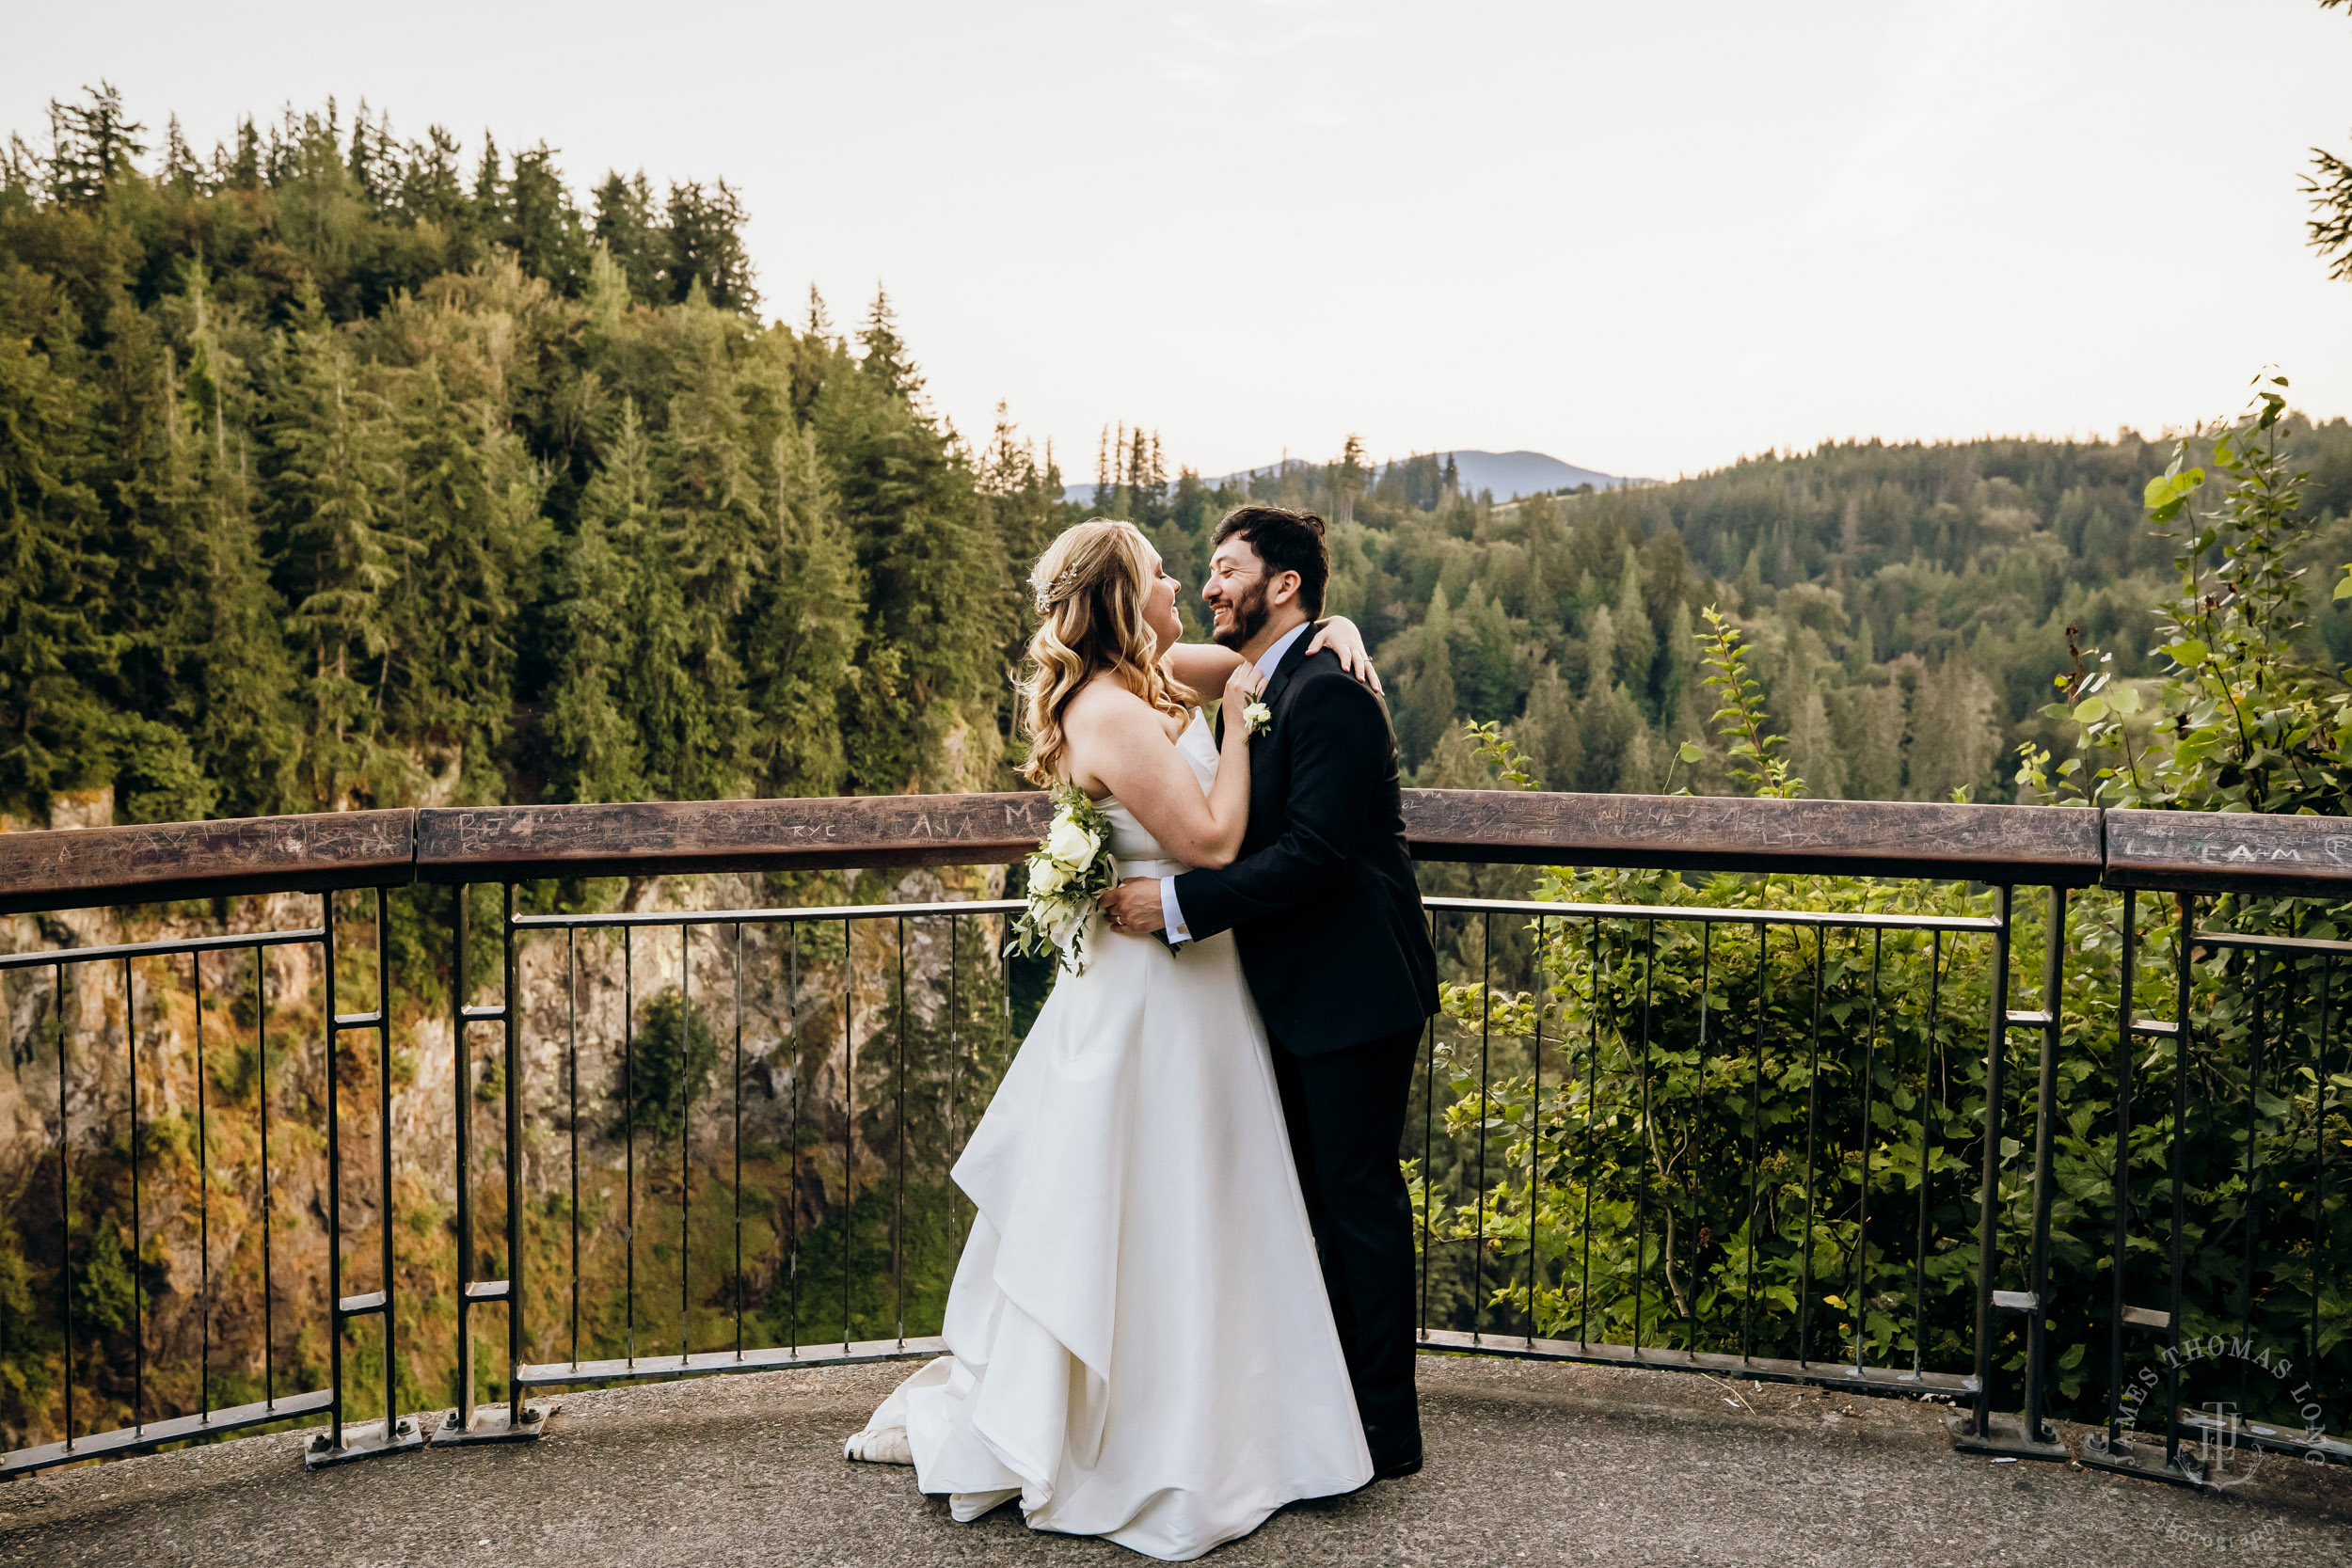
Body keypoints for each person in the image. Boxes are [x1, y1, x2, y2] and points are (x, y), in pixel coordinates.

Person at [840, 515, 1400, 1561]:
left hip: (1198, 980)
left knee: (1213, 1197)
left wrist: (1342, 623)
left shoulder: (1152, 671)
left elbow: (1260, 648)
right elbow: (1213, 839)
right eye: (1159, 572)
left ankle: (1236, 1404)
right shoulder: (1111, 708)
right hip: (1156, 988)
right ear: (1120, 596)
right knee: (1152, 1198)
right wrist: (1234, 724)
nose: (1181, 579)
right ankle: (1151, 1428)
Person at [1098, 504, 1438, 1481]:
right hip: (1291, 988)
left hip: (1353, 988)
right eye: (1200, 571)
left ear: (1281, 584)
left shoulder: (1326, 692)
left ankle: (1385, 1434)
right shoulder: (1267, 677)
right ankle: (1319, 1414)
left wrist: (1175, 902)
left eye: (1224, 567)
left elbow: (1318, 855)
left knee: (1358, 1205)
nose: (1208, 586)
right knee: (1312, 1205)